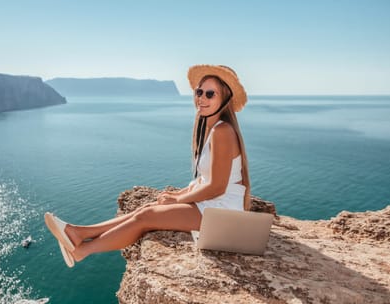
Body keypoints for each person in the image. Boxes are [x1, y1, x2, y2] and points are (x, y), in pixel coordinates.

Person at [45, 64, 251, 267]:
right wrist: (181, 193)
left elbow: (217, 186)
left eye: (210, 94)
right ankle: (79, 233)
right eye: (199, 92)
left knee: (147, 216)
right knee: (148, 207)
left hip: (224, 213)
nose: (202, 98)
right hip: (213, 205)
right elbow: (205, 179)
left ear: (224, 98)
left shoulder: (222, 131)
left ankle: (82, 251)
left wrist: (178, 198)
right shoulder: (211, 128)